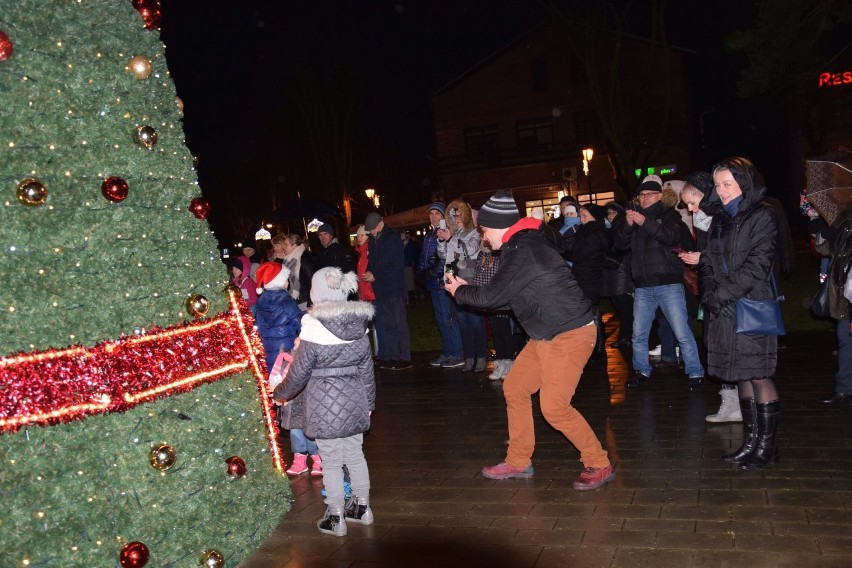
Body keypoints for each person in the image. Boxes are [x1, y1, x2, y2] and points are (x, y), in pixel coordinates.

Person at [444, 190, 614, 491]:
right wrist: (472, 289)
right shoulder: (521, 244)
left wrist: (460, 291)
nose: (483, 237)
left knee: (554, 407)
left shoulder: (524, 249)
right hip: (545, 334)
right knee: (516, 388)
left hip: (571, 332)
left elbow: (494, 295)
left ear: (498, 227)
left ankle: (599, 462)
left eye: (484, 230)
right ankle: (519, 460)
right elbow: (505, 295)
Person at [273, 267, 375, 536]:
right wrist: (369, 404)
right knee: (355, 454)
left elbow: (298, 375)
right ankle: (362, 508)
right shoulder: (359, 325)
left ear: (317, 293)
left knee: (330, 461)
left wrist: (279, 394)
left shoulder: (313, 329)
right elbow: (367, 371)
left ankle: (336, 516)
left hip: (323, 406)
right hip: (355, 401)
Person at [697, 157, 781, 470]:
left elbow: (757, 265)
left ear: (744, 183)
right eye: (718, 185)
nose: (722, 191)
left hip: (752, 305)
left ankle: (767, 447)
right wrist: (708, 291)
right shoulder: (718, 218)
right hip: (724, 307)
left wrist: (720, 295)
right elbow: (706, 260)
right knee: (740, 373)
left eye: (728, 184)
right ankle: (751, 442)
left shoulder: (763, 216)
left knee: (759, 374)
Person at [614, 175, 705, 390]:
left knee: (682, 331)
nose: (644, 199)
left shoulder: (670, 215)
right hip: (643, 286)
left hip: (668, 284)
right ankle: (641, 370)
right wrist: (627, 225)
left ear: (659, 196)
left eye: (649, 195)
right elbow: (618, 244)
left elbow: (671, 237)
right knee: (639, 334)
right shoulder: (634, 218)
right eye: (641, 195)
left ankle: (695, 372)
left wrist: (644, 222)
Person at [679, 171, 743, 423]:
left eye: (693, 203)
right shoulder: (707, 220)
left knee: (730, 348)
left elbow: (733, 256)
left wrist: (702, 258)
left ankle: (740, 405)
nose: (691, 211)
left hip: (728, 295)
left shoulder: (725, 218)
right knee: (715, 345)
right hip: (712, 293)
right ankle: (731, 401)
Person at [254, 261, 321, 476]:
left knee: (287, 408)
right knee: (303, 405)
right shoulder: (288, 303)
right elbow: (300, 324)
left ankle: (299, 456)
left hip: (271, 361)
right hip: (290, 358)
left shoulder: (260, 303)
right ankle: (315, 455)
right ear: (280, 281)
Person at [438, 199, 488, 373]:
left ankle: (481, 355)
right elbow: (443, 255)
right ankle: (470, 356)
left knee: (475, 320)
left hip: (469, 279)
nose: (457, 219)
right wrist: (442, 241)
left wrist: (452, 239)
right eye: (454, 216)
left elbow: (471, 249)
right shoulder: (454, 233)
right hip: (454, 278)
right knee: (462, 320)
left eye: (459, 215)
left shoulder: (474, 232)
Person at [811, 203, 852, 405]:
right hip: (845, 293)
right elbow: (825, 248)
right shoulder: (845, 216)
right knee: (845, 339)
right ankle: (844, 389)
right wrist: (823, 230)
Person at [415, 202, 465, 369]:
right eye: (431, 213)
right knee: (440, 319)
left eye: (438, 213)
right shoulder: (429, 236)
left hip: (444, 283)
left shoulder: (447, 233)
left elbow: (445, 259)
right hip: (433, 284)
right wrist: (421, 273)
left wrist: (431, 274)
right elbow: (423, 258)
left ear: (444, 216)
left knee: (449, 319)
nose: (434, 216)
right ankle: (448, 352)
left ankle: (457, 354)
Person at [364, 212, 412, 370]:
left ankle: (405, 357)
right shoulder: (372, 240)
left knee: (399, 323)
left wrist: (375, 274)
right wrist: (370, 271)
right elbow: (372, 261)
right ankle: (393, 357)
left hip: (394, 288)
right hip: (380, 288)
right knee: (388, 324)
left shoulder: (392, 238)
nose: (371, 232)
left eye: (372, 229)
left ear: (380, 223)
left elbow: (395, 265)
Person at [562, 203, 610, 360]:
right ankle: (591, 347)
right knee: (587, 313)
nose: (581, 220)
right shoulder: (586, 232)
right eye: (580, 216)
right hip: (582, 276)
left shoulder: (596, 234)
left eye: (584, 216)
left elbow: (577, 255)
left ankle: (599, 347)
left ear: (594, 217)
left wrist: (561, 251)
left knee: (592, 313)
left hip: (590, 278)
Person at [601, 202, 633, 348]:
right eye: (608, 213)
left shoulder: (619, 226)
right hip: (617, 272)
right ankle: (628, 336)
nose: (610, 216)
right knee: (623, 307)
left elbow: (618, 247)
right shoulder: (614, 226)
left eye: (613, 212)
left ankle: (627, 336)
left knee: (624, 307)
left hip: (620, 272)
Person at [273, 233, 320, 312]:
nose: (284, 247)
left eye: (286, 244)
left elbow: (314, 280)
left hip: (307, 301)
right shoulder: (288, 260)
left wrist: (311, 303)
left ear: (294, 245)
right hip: (295, 300)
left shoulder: (307, 257)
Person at [402, 230, 419, 303]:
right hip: (403, 265)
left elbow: (415, 253)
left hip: (409, 265)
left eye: (408, 234)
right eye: (406, 234)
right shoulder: (402, 243)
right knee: (405, 282)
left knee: (411, 282)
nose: (407, 236)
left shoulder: (412, 243)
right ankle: (407, 299)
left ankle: (412, 298)